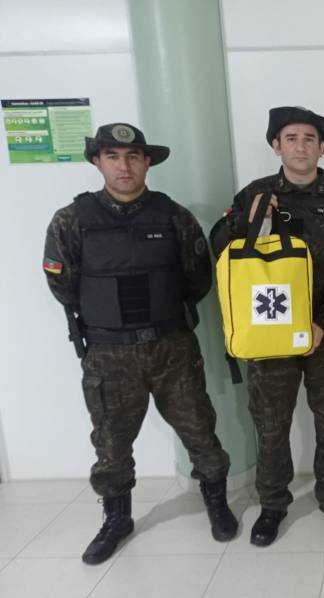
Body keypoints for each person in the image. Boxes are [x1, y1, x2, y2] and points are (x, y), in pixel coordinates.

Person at [43, 123, 237, 565]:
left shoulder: (174, 216)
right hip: (110, 354)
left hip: (172, 346)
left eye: (133, 156)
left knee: (200, 432)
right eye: (113, 156)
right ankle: (116, 519)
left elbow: (198, 278)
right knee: (111, 443)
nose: (124, 165)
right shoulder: (71, 221)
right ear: (97, 161)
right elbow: (63, 286)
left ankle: (217, 503)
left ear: (147, 161)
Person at [222, 107, 324, 546]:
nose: (301, 146)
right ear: (276, 145)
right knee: (270, 423)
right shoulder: (255, 193)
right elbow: (221, 252)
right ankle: (272, 504)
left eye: (310, 138)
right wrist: (250, 221)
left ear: (322, 148)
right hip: (268, 336)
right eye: (291, 138)